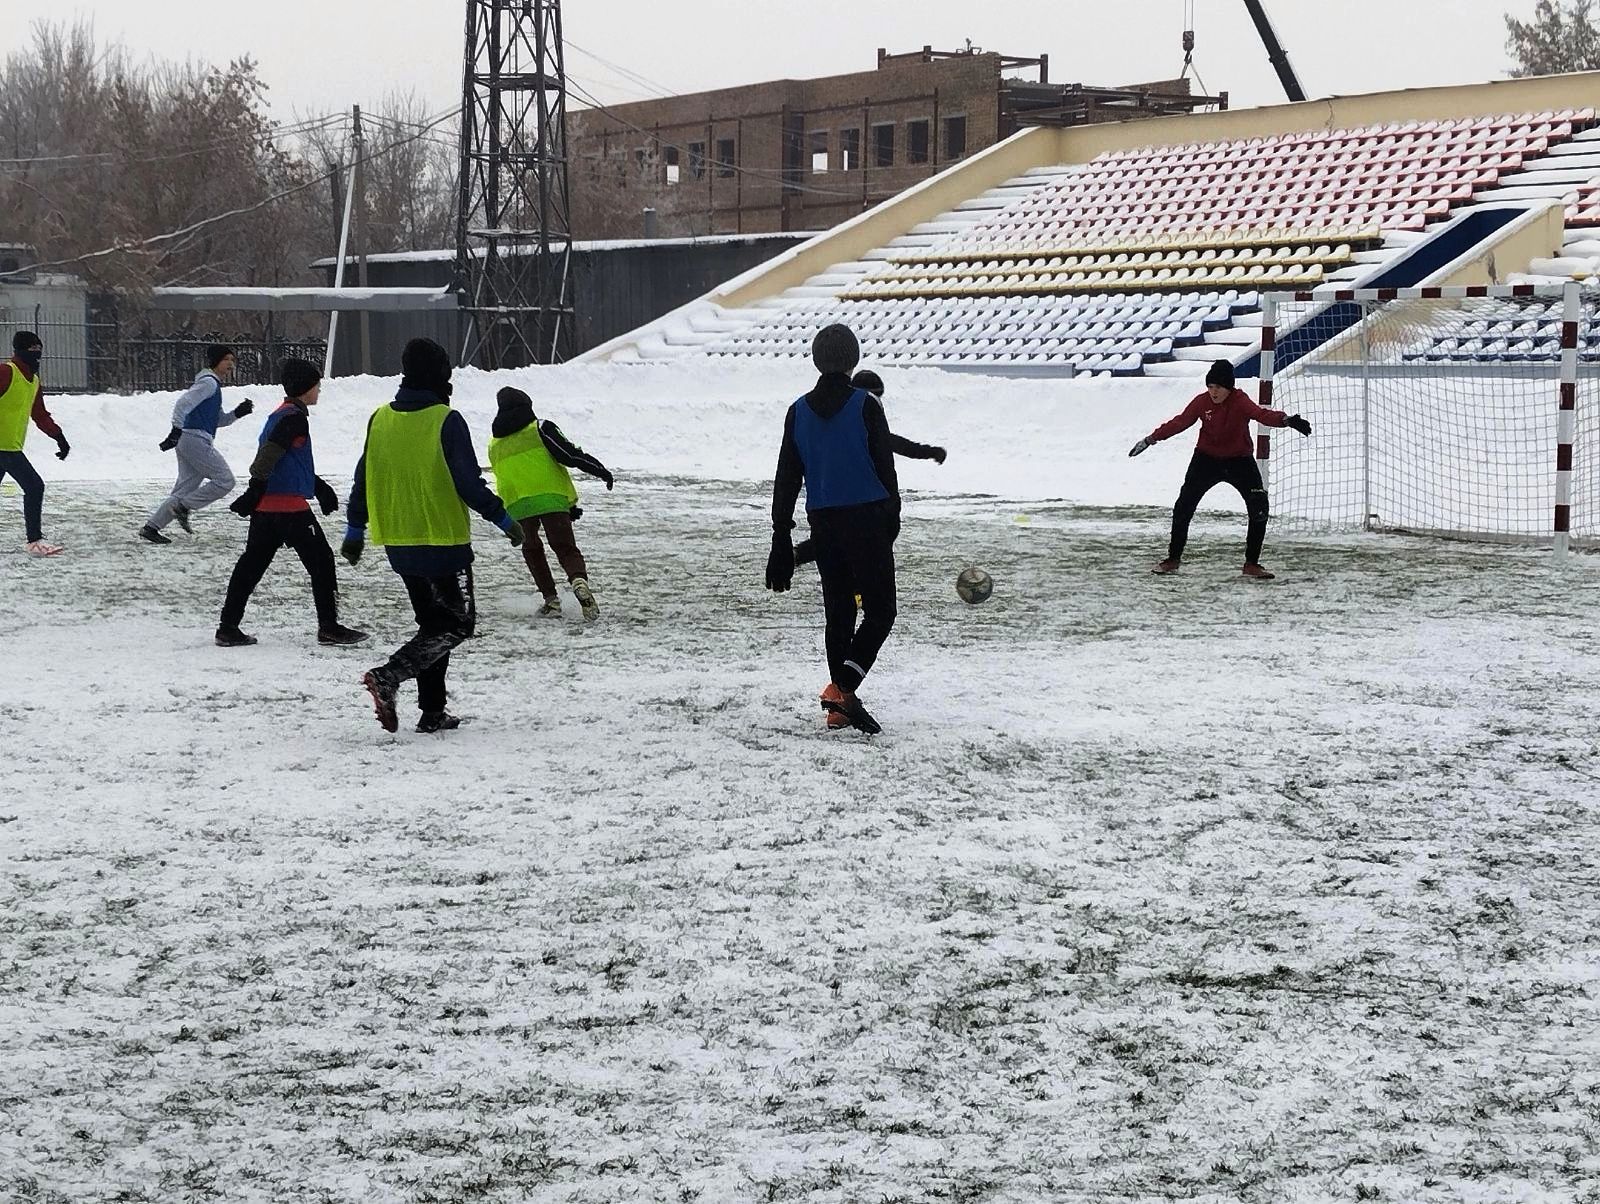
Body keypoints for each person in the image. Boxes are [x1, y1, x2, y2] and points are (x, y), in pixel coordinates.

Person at [343, 338, 523, 734]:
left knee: (434, 627)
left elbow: (363, 476)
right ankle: (388, 676)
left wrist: (355, 526)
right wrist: (505, 520)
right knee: (457, 625)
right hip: (442, 542)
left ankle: (432, 711)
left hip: (399, 540)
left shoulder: (380, 418)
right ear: (441, 374)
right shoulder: (446, 419)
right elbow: (468, 483)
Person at [766, 324, 900, 735]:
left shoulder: (798, 411)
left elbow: (786, 476)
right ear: (854, 360)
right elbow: (885, 467)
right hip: (867, 518)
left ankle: (839, 709)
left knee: (839, 613)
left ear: (816, 360)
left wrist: (780, 536)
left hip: (824, 523)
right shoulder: (865, 405)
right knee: (881, 612)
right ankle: (843, 687)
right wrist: (892, 517)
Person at [215, 358, 369, 648]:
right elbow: (269, 455)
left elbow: (290, 461)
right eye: (317, 385)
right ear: (305, 387)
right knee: (322, 562)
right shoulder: (294, 419)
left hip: (268, 509)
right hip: (289, 510)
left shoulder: (281, 414)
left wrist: (319, 487)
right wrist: (255, 486)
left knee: (251, 566)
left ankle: (227, 627)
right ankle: (329, 627)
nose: (319, 390)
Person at [1129, 358, 1312, 580]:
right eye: (1210, 387)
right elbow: (1180, 422)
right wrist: (1151, 439)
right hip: (1206, 460)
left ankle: (1252, 564)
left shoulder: (1240, 401)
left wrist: (1286, 420)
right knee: (1183, 506)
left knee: (1259, 508)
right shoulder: (1202, 402)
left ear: (1229, 387)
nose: (1213, 392)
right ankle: (1172, 559)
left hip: (1240, 461)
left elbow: (1261, 415)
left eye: (1218, 387)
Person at [793, 368, 943, 568]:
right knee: (855, 545)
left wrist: (928, 452)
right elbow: (892, 443)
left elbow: (891, 442)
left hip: (841, 502)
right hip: (869, 503)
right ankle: (800, 555)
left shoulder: (846, 415)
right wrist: (928, 452)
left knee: (833, 540)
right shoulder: (860, 415)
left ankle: (798, 555)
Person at [487, 386, 614, 620]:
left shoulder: (494, 444)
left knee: (533, 550)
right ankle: (578, 581)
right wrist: (600, 470)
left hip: (516, 505)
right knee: (565, 547)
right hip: (551, 500)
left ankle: (551, 601)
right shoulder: (540, 428)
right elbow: (569, 455)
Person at [141, 344, 253, 544]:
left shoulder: (212, 385)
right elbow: (182, 404)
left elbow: (218, 420)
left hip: (190, 440)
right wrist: (176, 429)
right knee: (225, 481)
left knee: (183, 490)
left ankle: (151, 528)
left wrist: (238, 413)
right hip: (194, 440)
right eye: (227, 359)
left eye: (232, 360)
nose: (231, 364)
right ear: (216, 361)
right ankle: (183, 507)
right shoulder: (208, 383)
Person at [0, 330, 70, 557]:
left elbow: (39, 414)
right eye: (32, 349)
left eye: (39, 349)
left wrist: (59, 437)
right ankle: (34, 541)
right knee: (34, 486)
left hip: (11, 445)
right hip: (4, 447)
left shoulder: (34, 381)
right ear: (19, 351)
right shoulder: (5, 371)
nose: (37, 354)